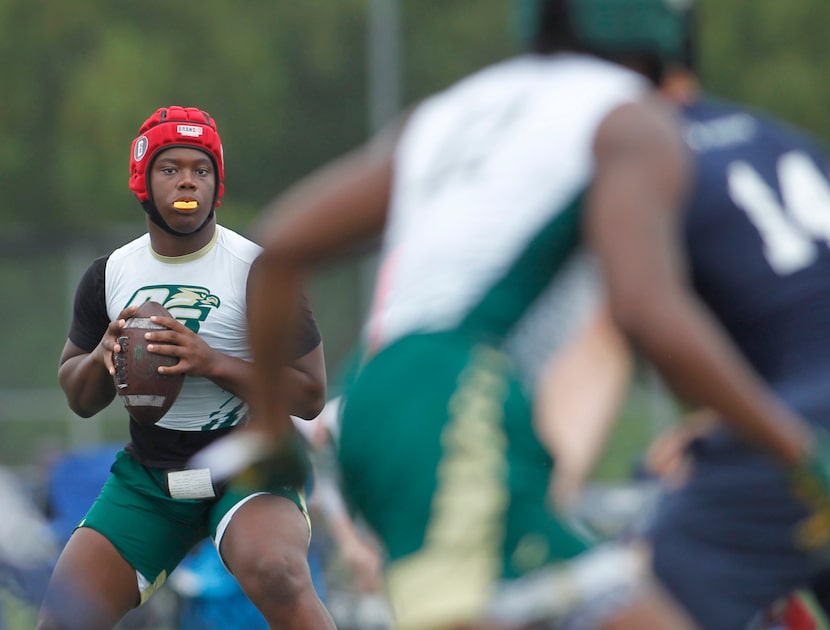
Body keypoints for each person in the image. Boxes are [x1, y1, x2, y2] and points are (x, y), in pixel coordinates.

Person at [195, 0, 830, 628]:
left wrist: (273, 435)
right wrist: (794, 450)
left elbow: (276, 254)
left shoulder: (454, 110)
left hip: (391, 402)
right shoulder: (632, 120)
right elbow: (647, 311)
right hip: (457, 409)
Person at [38, 106, 335, 630]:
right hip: (151, 479)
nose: (186, 181)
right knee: (66, 616)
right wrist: (105, 357)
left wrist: (212, 361)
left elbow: (310, 394)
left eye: (201, 169)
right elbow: (79, 398)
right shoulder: (109, 274)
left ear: (216, 183)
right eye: (169, 167)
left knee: (278, 574)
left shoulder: (258, 269)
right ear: (142, 179)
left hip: (247, 465)